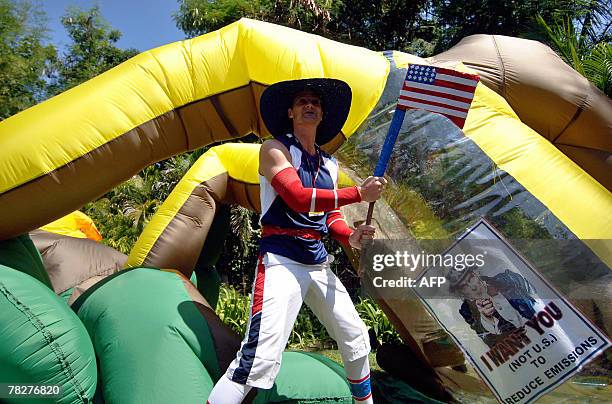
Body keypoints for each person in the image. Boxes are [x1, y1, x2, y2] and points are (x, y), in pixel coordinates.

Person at [206, 78, 387, 403]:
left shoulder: (330, 165)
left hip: (317, 263)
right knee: (258, 357)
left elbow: (330, 219)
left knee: (356, 337)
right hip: (281, 261)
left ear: (321, 114)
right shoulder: (274, 149)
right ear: (290, 112)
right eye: (302, 101)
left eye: (315, 102)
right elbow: (299, 198)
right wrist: (359, 193)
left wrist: (352, 237)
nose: (309, 105)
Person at [448, 266, 537, 348]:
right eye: (464, 286)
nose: (473, 287)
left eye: (471, 279)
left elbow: (538, 299)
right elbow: (488, 345)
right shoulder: (468, 313)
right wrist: (487, 319)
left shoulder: (510, 279)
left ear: (476, 274)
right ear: (463, 295)